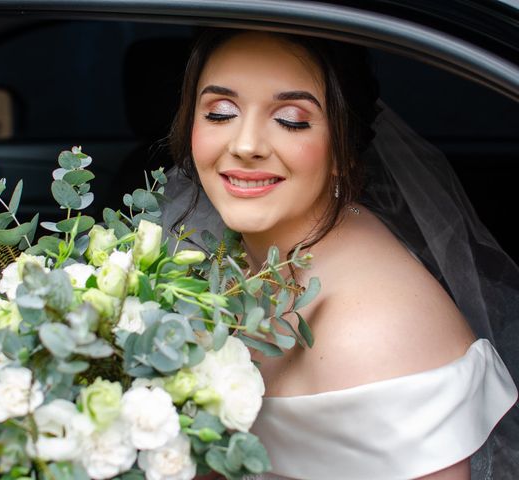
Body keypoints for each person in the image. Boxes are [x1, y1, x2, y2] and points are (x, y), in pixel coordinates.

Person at [164, 29, 518, 479]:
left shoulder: (374, 334)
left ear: (341, 149)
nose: (246, 144)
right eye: (220, 113)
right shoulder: (228, 259)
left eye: (291, 119)